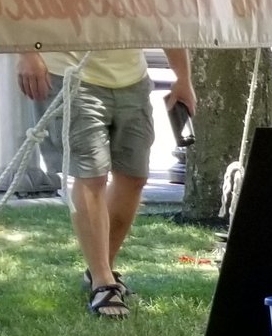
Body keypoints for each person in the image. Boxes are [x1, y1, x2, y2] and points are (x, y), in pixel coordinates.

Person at [19, 47, 194, 317]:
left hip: (133, 80)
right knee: (92, 176)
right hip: (70, 75)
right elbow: (22, 4)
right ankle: (103, 281)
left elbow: (166, 19)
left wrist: (183, 78)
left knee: (134, 177)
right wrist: (28, 53)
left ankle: (100, 271)